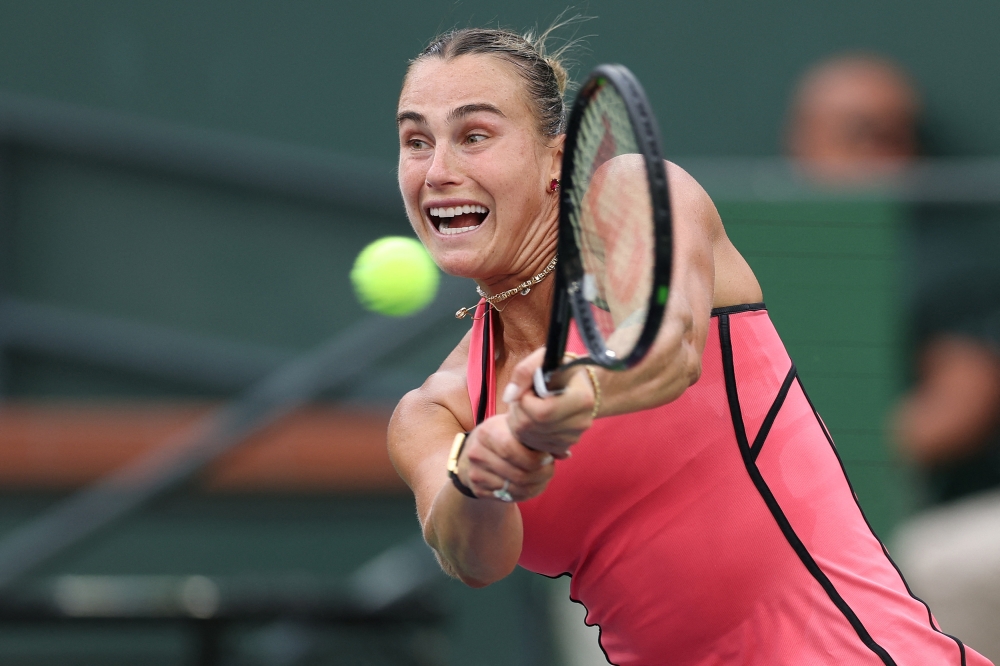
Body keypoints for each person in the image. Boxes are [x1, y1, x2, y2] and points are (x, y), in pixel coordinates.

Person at [388, 28, 990, 665]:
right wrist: (483, 478)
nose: (438, 172)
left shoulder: (631, 192)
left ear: (557, 159)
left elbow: (667, 346)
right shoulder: (434, 409)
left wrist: (578, 389)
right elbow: (470, 557)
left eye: (474, 136)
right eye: (416, 142)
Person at [786, 53, 1000, 663]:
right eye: (857, 133)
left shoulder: (945, 260)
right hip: (793, 514)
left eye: (894, 134)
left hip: (946, 514)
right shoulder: (758, 252)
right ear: (803, 140)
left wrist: (816, 459)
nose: (879, 153)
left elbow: (958, 406)